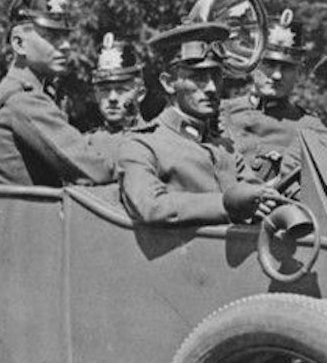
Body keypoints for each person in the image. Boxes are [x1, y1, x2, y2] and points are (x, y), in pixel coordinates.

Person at [116, 21, 284, 227]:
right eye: (198, 78)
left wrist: (263, 200)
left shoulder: (225, 147)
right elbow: (152, 206)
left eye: (215, 75)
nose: (212, 87)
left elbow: (255, 191)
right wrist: (226, 204)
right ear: (169, 83)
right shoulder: (141, 145)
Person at [0, 0, 117, 187]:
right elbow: (97, 171)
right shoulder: (25, 100)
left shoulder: (18, 92)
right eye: (52, 36)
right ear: (19, 43)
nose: (66, 45)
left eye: (65, 36)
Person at [219, 8, 322, 172]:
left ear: (299, 72)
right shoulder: (221, 114)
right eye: (268, 64)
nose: (276, 75)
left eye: (287, 67)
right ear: (252, 63)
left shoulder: (312, 129)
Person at [92, 33, 149, 133]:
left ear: (140, 93)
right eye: (105, 90)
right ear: (96, 95)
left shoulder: (157, 141)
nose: (112, 98)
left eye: (121, 90)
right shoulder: (85, 144)